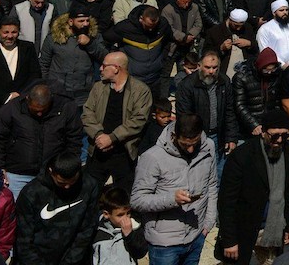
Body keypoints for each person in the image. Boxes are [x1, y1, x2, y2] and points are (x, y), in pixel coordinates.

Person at [130, 112, 218, 265]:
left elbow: (211, 186)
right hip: (164, 244)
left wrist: (208, 223)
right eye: (185, 144)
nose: (190, 150)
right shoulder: (152, 157)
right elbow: (137, 200)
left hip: (197, 235)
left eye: (194, 143)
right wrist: (171, 199)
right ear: (174, 135)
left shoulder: (208, 147)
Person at [215, 109, 289, 265]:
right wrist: (229, 240)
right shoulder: (242, 155)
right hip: (245, 227)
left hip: (273, 226)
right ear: (263, 132)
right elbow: (227, 201)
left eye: (284, 135)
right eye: (275, 136)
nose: (279, 140)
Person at [0, 82, 83, 199]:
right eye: (35, 111)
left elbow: (74, 139)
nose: (40, 113)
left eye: (43, 110)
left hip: (52, 173)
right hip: (17, 173)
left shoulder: (66, 108)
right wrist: (0, 168)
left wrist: (66, 167)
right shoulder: (11, 109)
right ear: (27, 100)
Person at [15, 151, 102, 264]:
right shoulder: (32, 193)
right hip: (38, 257)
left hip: (73, 257)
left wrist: (70, 260)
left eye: (72, 182)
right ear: (51, 172)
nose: (67, 187)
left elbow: (87, 229)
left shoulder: (89, 186)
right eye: (61, 183)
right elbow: (24, 240)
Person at [83, 51, 152, 190]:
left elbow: (139, 120)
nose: (100, 69)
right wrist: (99, 135)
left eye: (104, 66)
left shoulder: (140, 90)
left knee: (123, 195)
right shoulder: (98, 87)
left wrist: (112, 138)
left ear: (116, 68)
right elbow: (87, 113)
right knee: (89, 192)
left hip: (123, 154)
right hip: (98, 150)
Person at [174, 50, 238, 176]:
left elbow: (230, 111)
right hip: (198, 138)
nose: (211, 71)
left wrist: (231, 137)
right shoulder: (187, 86)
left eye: (215, 68)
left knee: (218, 175)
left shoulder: (224, 82)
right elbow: (185, 117)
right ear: (199, 66)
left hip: (219, 136)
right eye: (207, 67)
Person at [40, 4, 107, 108]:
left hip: (84, 90)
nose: (85, 24)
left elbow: (105, 57)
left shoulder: (94, 36)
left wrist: (90, 44)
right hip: (58, 90)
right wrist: (46, 86)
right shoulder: (54, 37)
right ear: (71, 22)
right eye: (81, 21)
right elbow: (44, 64)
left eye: (87, 20)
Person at [91, 186, 150, 265]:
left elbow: (140, 253)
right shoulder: (95, 229)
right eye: (120, 215)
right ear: (106, 214)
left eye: (128, 213)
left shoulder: (135, 226)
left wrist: (129, 235)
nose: (125, 218)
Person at [0, 15, 41, 108]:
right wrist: (6, 97)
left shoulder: (27, 48)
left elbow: (35, 75)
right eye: (6, 32)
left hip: (23, 103)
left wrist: (21, 94)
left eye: (14, 32)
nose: (10, 36)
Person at [255, 1, 289, 68]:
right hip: (274, 67)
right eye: (281, 10)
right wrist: (281, 64)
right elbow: (264, 49)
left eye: (286, 10)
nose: (285, 12)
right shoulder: (265, 29)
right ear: (274, 13)